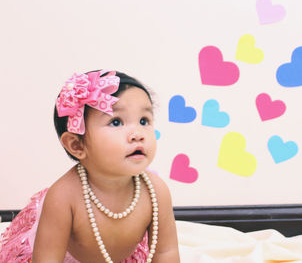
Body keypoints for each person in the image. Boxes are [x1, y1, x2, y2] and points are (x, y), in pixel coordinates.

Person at [0, 70, 180, 263]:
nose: (138, 133)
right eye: (116, 122)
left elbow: (165, 252)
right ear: (77, 145)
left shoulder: (155, 191)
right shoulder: (63, 197)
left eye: (144, 121)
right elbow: (47, 259)